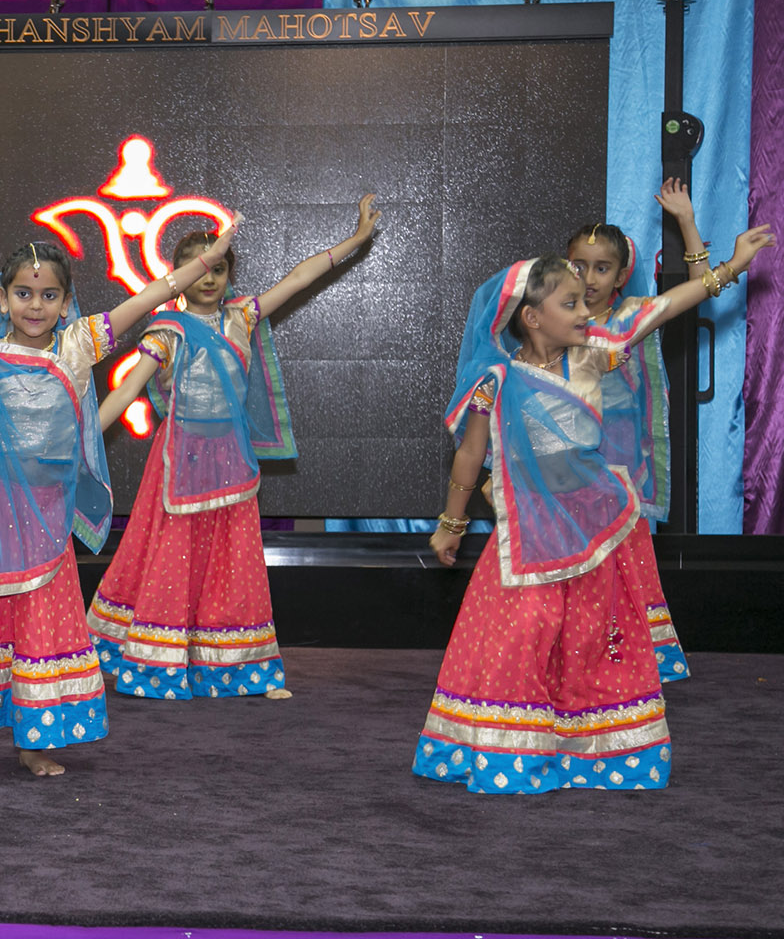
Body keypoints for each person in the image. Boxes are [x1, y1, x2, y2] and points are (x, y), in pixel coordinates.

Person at [0, 223, 238, 777]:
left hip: (44, 522)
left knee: (38, 629)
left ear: (65, 304)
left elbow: (152, 295)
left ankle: (33, 742)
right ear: (3, 300)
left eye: (49, 294)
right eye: (24, 293)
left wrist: (209, 260)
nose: (36, 305)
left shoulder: (79, 345)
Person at [419, 224, 773, 793]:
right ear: (531, 317)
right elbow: (471, 455)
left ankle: (592, 752)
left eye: (587, 299)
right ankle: (510, 753)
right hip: (530, 537)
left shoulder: (596, 355)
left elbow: (662, 308)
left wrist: (728, 269)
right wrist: (450, 524)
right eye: (570, 302)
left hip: (595, 530)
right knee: (524, 633)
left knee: (590, 640)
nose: (586, 308)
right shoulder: (496, 379)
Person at [89, 196, 380, 700]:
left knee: (234, 560)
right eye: (197, 270)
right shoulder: (169, 330)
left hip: (232, 461)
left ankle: (242, 668)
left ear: (228, 276)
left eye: (218, 269)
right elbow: (126, 390)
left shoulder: (243, 317)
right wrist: (85, 437)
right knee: (173, 558)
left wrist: (354, 242)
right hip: (179, 461)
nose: (208, 279)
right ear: (177, 277)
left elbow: (297, 279)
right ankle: (159, 665)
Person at [562, 178, 709, 682]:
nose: (590, 277)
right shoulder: (555, 322)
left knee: (623, 570)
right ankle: (577, 661)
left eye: (602, 267)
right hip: (571, 473)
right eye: (579, 266)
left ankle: (625, 663)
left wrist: (685, 222)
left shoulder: (631, 316)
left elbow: (700, 288)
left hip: (623, 472)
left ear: (622, 274)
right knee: (575, 570)